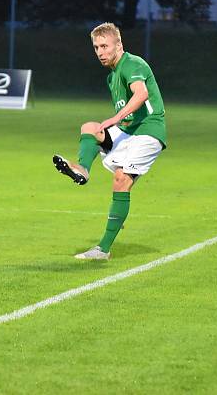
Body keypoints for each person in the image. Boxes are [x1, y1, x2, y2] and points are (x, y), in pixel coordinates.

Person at [52, 22, 166, 260]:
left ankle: (102, 249)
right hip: (129, 131)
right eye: (96, 47)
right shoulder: (111, 77)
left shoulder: (132, 64)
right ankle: (82, 169)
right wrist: (116, 126)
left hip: (148, 131)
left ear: (119, 45)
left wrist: (115, 119)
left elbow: (141, 94)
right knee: (91, 128)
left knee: (121, 180)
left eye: (105, 46)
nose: (100, 52)